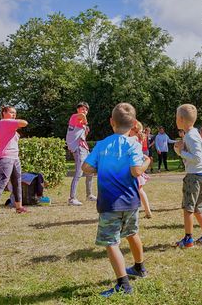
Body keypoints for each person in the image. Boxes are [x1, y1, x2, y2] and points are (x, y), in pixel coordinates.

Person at [82, 103, 151, 297]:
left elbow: (86, 168)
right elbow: (136, 171)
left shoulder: (102, 144)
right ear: (134, 124)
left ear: (112, 122)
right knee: (132, 233)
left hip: (110, 204)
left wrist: (101, 167)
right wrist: (147, 161)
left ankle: (123, 284)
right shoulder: (134, 144)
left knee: (111, 242)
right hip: (130, 201)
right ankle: (139, 268)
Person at [173, 104, 202, 248]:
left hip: (195, 175)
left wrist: (180, 152)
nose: (175, 119)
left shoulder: (190, 136)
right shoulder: (194, 133)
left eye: (176, 117)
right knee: (198, 208)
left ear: (182, 119)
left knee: (188, 208)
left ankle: (188, 239)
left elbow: (196, 157)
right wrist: (182, 146)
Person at [0, 106, 29, 217]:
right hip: (5, 157)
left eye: (15, 113)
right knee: (3, 181)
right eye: (11, 112)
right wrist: (15, 121)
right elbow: (24, 123)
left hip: (15, 157)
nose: (14, 115)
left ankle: (19, 207)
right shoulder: (4, 122)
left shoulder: (8, 125)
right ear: (4, 113)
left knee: (17, 182)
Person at [66, 102, 96, 206]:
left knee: (90, 171)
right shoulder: (74, 117)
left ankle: (89, 195)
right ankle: (72, 198)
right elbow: (82, 116)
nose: (84, 111)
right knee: (79, 172)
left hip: (84, 148)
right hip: (78, 149)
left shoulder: (82, 124)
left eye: (86, 110)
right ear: (78, 109)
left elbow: (81, 136)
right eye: (82, 109)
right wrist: (85, 122)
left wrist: (85, 127)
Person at [130, 121, 153, 219]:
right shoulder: (138, 138)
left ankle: (147, 211)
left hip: (135, 167)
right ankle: (147, 211)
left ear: (132, 130)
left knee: (138, 190)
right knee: (139, 190)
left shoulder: (133, 138)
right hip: (137, 166)